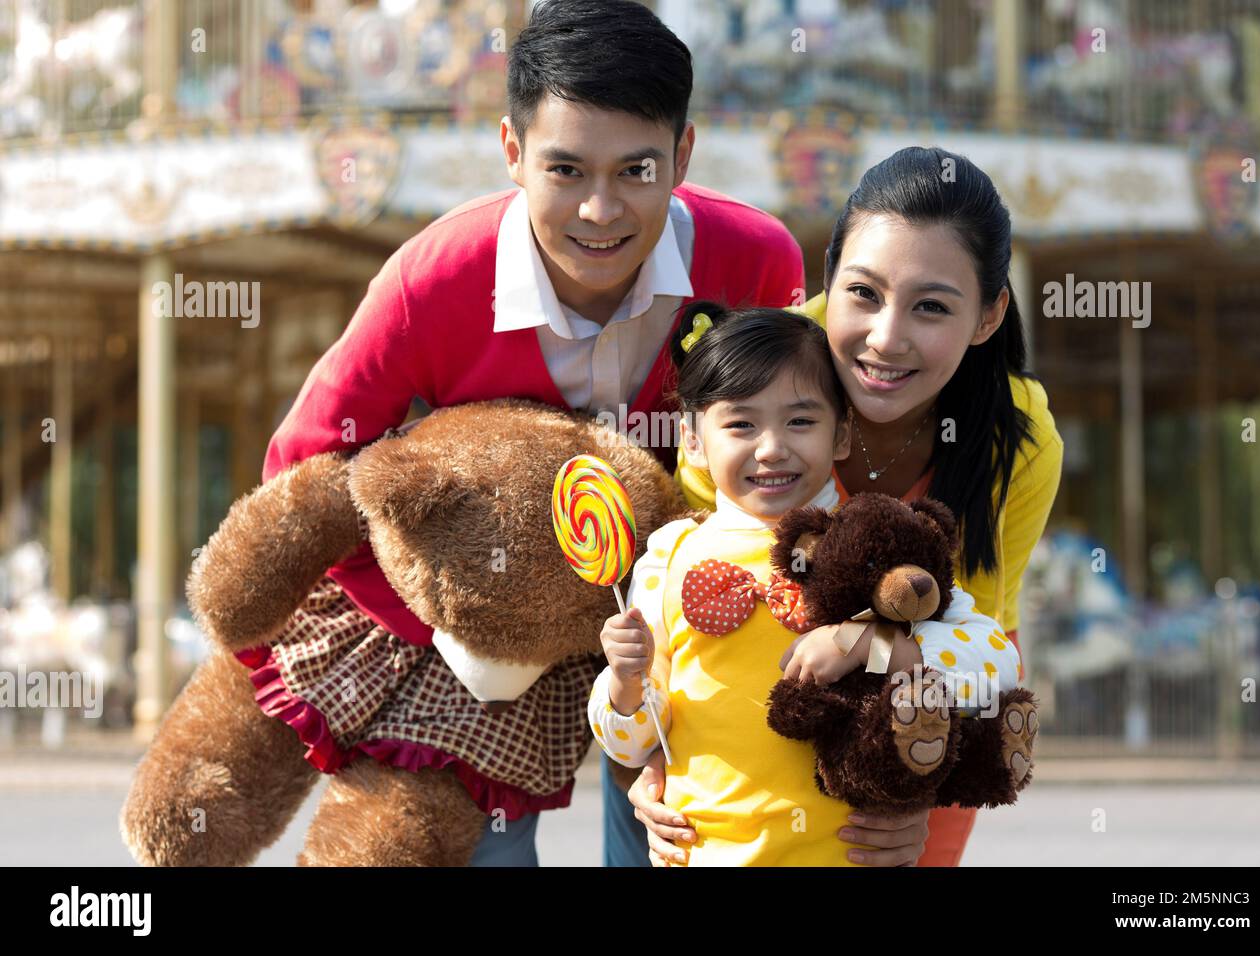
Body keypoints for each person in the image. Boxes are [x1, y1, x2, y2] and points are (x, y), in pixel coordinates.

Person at [254, 0, 804, 866]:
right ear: (511, 152)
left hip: (681, 630)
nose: (599, 210)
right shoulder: (432, 284)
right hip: (486, 641)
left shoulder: (755, 263)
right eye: (564, 169)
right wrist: (445, 614)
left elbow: (785, 458)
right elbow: (303, 463)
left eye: (635, 170)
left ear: (683, 155)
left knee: (680, 845)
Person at [612, 146, 1064, 867]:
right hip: (724, 785)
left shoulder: (1023, 439)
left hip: (921, 730)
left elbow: (982, 641)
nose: (885, 337)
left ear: (988, 315)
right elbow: (693, 641)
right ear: (827, 284)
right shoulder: (757, 387)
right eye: (863, 294)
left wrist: (874, 651)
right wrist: (651, 764)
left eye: (932, 307)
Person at [587, 301, 1024, 865]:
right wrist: (623, 684)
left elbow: (995, 669)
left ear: (841, 433)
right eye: (741, 423)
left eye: (800, 420)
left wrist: (869, 644)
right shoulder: (668, 560)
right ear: (692, 440)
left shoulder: (884, 541)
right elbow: (635, 742)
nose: (771, 447)